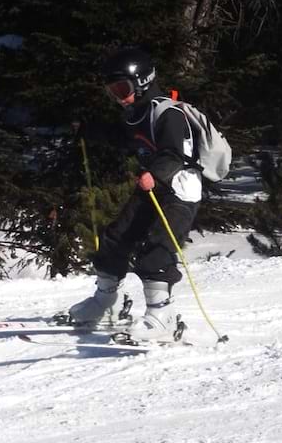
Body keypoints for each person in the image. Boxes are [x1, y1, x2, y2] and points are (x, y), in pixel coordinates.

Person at [67, 47, 202, 341]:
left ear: (142, 82)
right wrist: (89, 131)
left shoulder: (168, 113)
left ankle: (161, 317)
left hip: (179, 190)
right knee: (116, 237)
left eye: (122, 89)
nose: (118, 97)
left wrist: (156, 173)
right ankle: (104, 303)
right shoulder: (137, 114)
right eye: (112, 91)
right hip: (151, 187)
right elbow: (121, 138)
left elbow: (175, 154)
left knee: (156, 250)